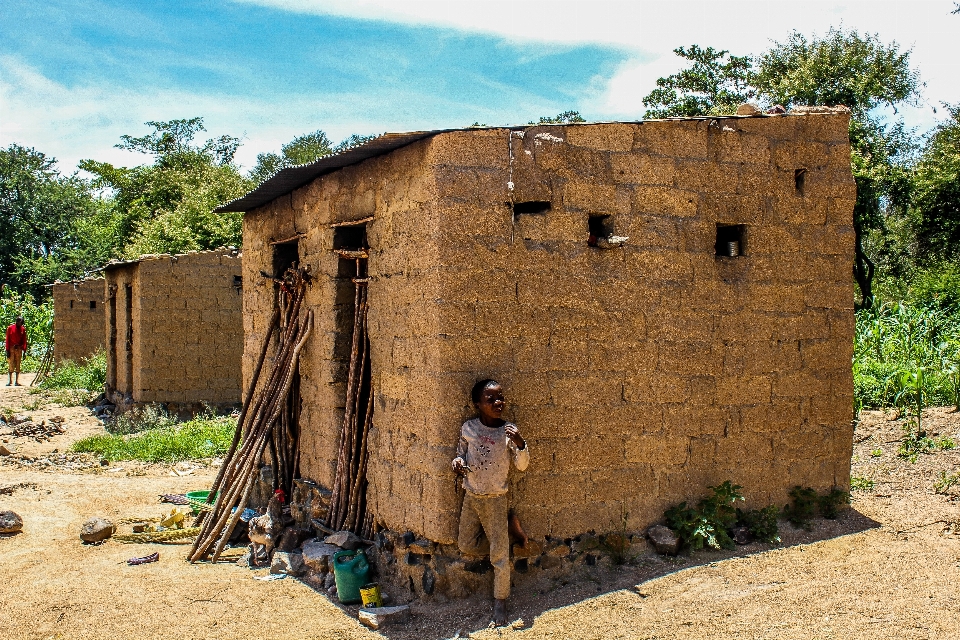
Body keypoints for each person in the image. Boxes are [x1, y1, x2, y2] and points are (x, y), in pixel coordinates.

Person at [452, 379, 529, 626]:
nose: (498, 403)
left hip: (496, 499)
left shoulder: (508, 431)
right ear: (477, 404)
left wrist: (520, 443)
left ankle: (501, 601)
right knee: (466, 543)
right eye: (491, 399)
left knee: (499, 558)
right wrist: (457, 462)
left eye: (500, 398)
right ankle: (507, 537)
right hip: (472, 495)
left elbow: (521, 465)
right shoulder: (469, 428)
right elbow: (460, 454)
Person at [5, 316, 27, 386]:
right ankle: (10, 381)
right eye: (20, 322)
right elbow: (7, 339)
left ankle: (16, 381)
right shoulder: (10, 328)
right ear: (17, 322)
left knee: (18, 364)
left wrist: (24, 350)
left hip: (19, 349)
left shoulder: (22, 329)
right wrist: (7, 350)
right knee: (11, 364)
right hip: (11, 349)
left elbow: (24, 340)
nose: (21, 324)